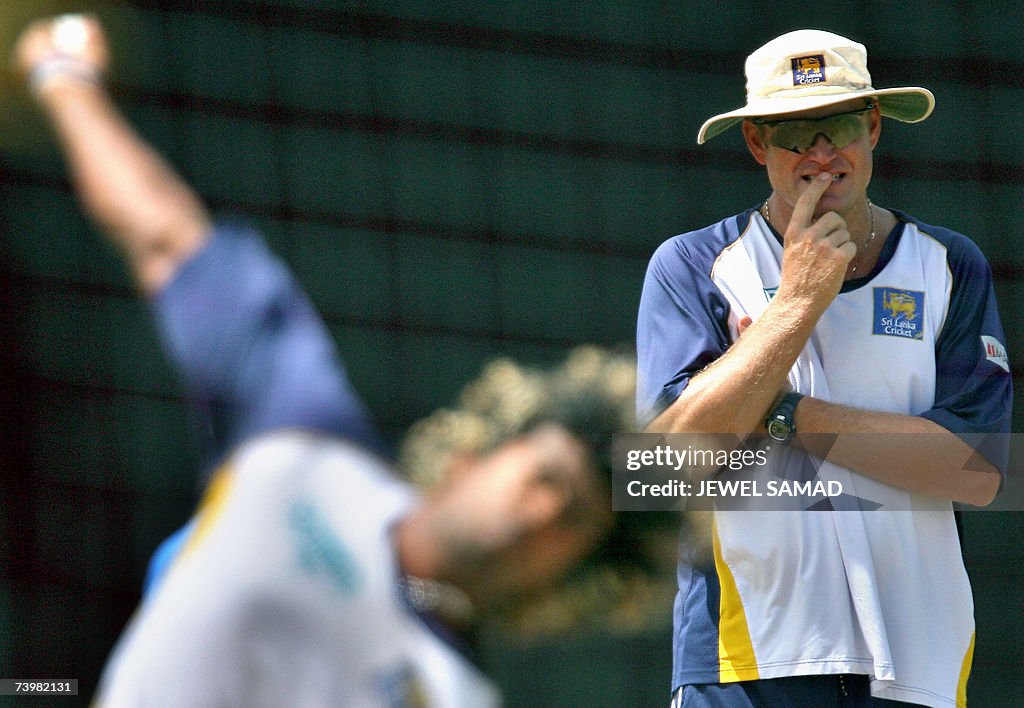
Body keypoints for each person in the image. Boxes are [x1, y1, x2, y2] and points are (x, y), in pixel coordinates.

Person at [15, 14, 673, 706]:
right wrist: (64, 80)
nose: (540, 511)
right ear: (474, 452)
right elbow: (168, 241)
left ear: (561, 581)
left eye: (571, 520)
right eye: (545, 476)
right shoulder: (304, 433)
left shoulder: (458, 696)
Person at [636, 29, 1012, 708]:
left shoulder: (950, 265)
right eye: (793, 133)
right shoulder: (691, 265)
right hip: (745, 660)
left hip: (917, 659)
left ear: (872, 127)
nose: (820, 154)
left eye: (837, 124)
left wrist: (783, 413)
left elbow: (980, 471)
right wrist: (797, 306)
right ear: (757, 144)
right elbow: (659, 469)